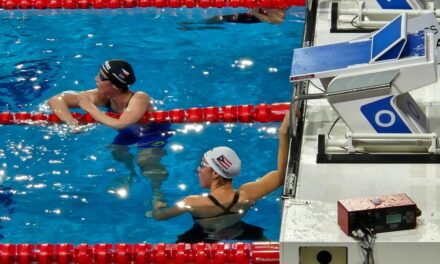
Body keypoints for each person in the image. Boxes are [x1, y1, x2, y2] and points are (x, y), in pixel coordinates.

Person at [48, 59, 172, 206]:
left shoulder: (140, 97)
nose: (96, 78)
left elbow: (122, 123)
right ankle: (130, 174)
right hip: (129, 133)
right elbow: (56, 99)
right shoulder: (103, 96)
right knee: (117, 152)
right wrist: (72, 123)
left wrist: (91, 108)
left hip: (152, 132)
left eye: (100, 77)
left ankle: (158, 194)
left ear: (114, 84)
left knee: (145, 161)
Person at [152, 111, 290, 242]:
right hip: (237, 229)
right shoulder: (247, 195)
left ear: (215, 173)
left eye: (202, 165)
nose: (198, 170)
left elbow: (160, 216)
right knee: (268, 246)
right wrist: (283, 134)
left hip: (204, 235)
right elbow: (282, 175)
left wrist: (157, 202)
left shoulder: (193, 203)